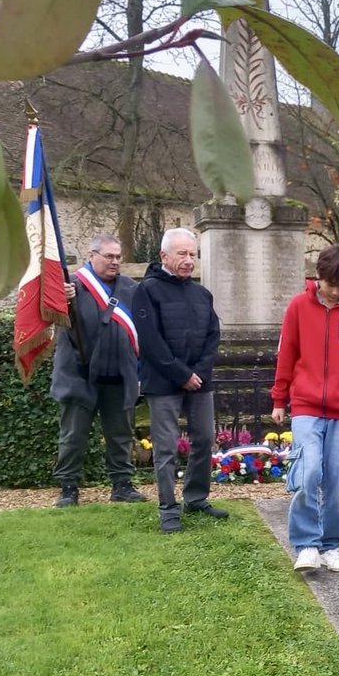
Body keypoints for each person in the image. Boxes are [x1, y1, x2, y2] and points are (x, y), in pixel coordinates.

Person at [271, 244, 339, 573]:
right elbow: (287, 353)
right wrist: (279, 398)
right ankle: (306, 544)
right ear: (319, 276)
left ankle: (331, 544)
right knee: (309, 470)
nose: (334, 292)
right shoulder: (298, 307)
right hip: (305, 405)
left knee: (337, 478)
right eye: (330, 285)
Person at [132, 227, 227, 533]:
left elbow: (213, 335)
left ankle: (196, 497)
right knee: (166, 447)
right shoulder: (146, 291)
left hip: (199, 382)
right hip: (164, 384)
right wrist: (181, 374)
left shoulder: (202, 293)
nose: (189, 260)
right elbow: (150, 340)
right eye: (182, 254)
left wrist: (198, 371)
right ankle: (168, 507)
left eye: (192, 254)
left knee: (204, 439)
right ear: (164, 256)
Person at [50, 234, 146, 507]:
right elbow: (48, 316)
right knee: (73, 435)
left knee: (120, 434)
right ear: (91, 255)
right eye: (109, 256)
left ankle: (122, 485)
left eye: (118, 257)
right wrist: (60, 297)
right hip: (78, 375)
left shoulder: (130, 288)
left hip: (118, 376)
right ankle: (68, 488)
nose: (115, 262)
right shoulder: (72, 286)